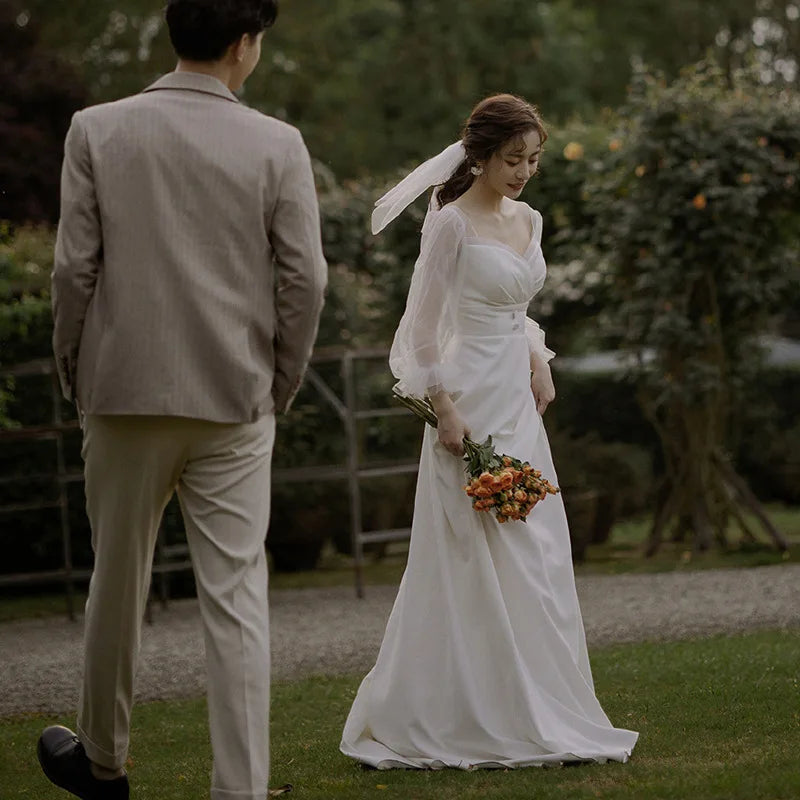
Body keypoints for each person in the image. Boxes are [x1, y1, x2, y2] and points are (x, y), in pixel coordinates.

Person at [36, 1, 327, 798]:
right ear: (244, 44)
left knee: (115, 582)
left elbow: (72, 272)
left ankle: (101, 763)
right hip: (234, 398)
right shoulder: (278, 143)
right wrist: (281, 381)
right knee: (237, 601)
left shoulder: (97, 128)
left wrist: (74, 367)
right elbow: (306, 280)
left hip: (122, 392)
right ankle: (240, 788)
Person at [340, 94, 638, 770]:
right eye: (513, 159)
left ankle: (542, 703)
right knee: (471, 555)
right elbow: (421, 328)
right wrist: (444, 408)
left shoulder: (528, 219)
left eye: (532, 160)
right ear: (479, 155)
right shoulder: (449, 225)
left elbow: (517, 308)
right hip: (468, 399)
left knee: (534, 551)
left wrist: (538, 358)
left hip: (518, 400)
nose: (524, 172)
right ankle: (470, 710)